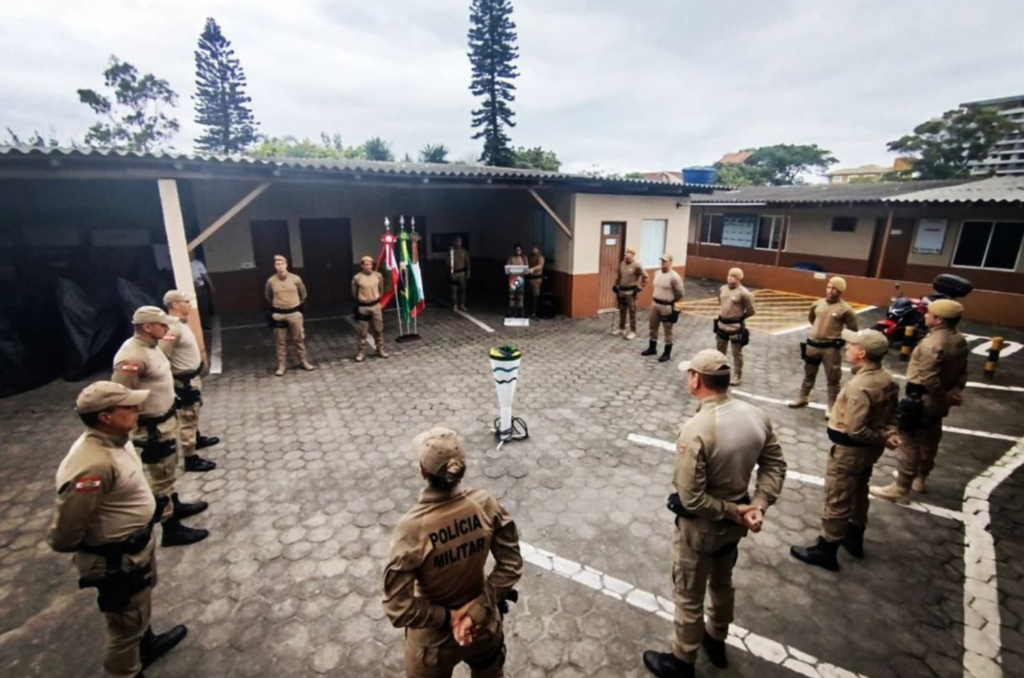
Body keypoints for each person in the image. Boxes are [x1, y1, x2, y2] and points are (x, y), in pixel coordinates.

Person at [643, 350, 787, 678]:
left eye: (688, 373)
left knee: (689, 592)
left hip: (701, 529)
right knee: (723, 582)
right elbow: (775, 464)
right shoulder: (755, 415)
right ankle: (716, 638)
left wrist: (734, 511)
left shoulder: (697, 429)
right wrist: (758, 505)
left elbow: (691, 499)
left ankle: (682, 661)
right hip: (734, 528)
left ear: (696, 379)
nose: (687, 378)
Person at [47, 381, 189, 678]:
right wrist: (105, 549)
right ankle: (125, 671)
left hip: (134, 549)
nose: (138, 410)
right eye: (129, 407)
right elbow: (64, 535)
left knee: (137, 609)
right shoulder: (91, 465)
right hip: (117, 559)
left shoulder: (117, 438)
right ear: (105, 417)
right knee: (124, 629)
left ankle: (145, 644)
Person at [383, 427, 523, 678]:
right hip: (483, 629)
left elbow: (398, 608)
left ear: (422, 471)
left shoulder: (411, 528)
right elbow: (510, 566)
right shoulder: (484, 504)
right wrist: (476, 612)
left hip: (432, 644)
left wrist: (451, 617)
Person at [790, 329, 899, 571]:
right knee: (860, 490)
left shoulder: (859, 387)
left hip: (851, 452)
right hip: (868, 453)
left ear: (861, 353)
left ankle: (827, 548)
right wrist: (889, 434)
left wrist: (882, 437)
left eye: (850, 346)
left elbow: (855, 429)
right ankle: (854, 535)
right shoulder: (887, 379)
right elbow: (894, 413)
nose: (846, 348)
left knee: (837, 496)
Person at [111, 306, 209, 548]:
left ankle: (174, 506)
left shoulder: (151, 347)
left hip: (165, 421)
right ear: (147, 327)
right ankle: (171, 529)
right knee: (159, 479)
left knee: (167, 472)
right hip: (152, 429)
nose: (166, 328)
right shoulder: (131, 358)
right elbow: (120, 397)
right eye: (161, 325)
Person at [871, 299, 968, 503]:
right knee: (931, 438)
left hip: (922, 398)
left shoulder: (932, 344)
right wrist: (953, 393)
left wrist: (941, 396)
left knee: (908, 441)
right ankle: (920, 477)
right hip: (940, 399)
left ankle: (901, 487)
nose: (925, 316)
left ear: (939, 319)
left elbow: (929, 377)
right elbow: (962, 371)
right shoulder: (959, 340)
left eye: (929, 313)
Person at [160, 290, 218, 473]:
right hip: (184, 382)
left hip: (192, 378)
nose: (189, 304)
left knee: (194, 411)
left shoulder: (180, 324)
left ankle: (197, 438)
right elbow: (162, 356)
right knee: (188, 417)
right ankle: (190, 457)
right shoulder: (172, 329)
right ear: (175, 305)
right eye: (186, 301)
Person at [789, 277, 858, 418]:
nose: (830, 291)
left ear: (840, 291)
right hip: (813, 345)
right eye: (829, 287)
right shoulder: (817, 304)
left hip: (830, 349)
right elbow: (812, 319)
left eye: (834, 289)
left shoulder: (845, 309)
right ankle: (803, 397)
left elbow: (853, 330)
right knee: (808, 374)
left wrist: (840, 341)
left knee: (833, 378)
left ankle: (832, 406)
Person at [265, 254, 315, 376]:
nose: (280, 266)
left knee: (299, 339)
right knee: (280, 341)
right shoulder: (271, 281)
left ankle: (303, 361)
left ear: (286, 264)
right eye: (277, 264)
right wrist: (279, 305)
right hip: (279, 314)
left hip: (294, 313)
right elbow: (268, 296)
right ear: (274, 266)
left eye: (282, 263)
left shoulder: (296, 279)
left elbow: (303, 294)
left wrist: (295, 304)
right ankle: (282, 365)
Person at [714, 268, 755, 386]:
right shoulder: (722, 289)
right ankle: (720, 370)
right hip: (722, 325)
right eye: (729, 275)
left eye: (733, 276)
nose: (730, 278)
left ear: (738, 279)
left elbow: (751, 310)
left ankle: (737, 375)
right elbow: (720, 302)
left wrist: (739, 317)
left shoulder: (744, 293)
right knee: (720, 351)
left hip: (735, 327)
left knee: (736, 352)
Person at [641, 253, 685, 363]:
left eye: (665, 261)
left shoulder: (674, 277)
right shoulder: (657, 273)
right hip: (655, 304)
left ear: (670, 262)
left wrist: (676, 308)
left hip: (667, 306)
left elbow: (680, 294)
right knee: (653, 327)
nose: (662, 263)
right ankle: (652, 348)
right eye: (662, 261)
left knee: (667, 329)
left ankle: (667, 352)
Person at [352, 255, 389, 363]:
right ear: (362, 265)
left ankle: (380, 349)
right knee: (363, 331)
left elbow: (381, 289)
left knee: (378, 329)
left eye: (370, 264)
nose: (368, 266)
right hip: (363, 306)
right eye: (366, 264)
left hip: (376, 305)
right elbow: (354, 293)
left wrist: (377, 299)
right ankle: (361, 352)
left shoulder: (378, 276)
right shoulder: (357, 278)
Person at [612, 248, 649, 340]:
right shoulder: (622, 263)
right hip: (621, 291)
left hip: (631, 292)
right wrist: (616, 285)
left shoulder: (637, 265)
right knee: (622, 310)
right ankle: (622, 328)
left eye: (628, 253)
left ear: (633, 255)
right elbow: (619, 276)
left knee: (632, 312)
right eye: (625, 253)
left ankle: (633, 331)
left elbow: (645, 277)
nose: (625, 254)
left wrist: (640, 287)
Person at [189, 253, 216, 320]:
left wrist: (211, 285)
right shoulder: (183, 263)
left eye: (193, 253)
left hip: (201, 286)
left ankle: (206, 322)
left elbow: (205, 275)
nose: (192, 255)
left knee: (204, 304)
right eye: (190, 253)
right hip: (190, 288)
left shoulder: (198, 263)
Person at [506, 243, 529, 319]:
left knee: (520, 295)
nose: (518, 251)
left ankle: (520, 312)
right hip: (513, 278)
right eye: (516, 249)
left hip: (520, 278)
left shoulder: (524, 258)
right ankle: (511, 311)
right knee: (512, 295)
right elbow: (507, 267)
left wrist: (525, 270)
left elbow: (527, 268)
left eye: (519, 249)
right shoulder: (511, 258)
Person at [450, 236, 471, 312]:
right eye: (457, 241)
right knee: (454, 290)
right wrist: (450, 272)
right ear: (454, 242)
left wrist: (468, 272)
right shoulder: (451, 252)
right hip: (454, 273)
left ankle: (462, 304)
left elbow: (468, 263)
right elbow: (447, 262)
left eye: (460, 241)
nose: (459, 243)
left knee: (463, 290)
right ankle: (454, 305)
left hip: (462, 273)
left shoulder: (464, 251)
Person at [526, 243, 545, 319]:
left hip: (536, 279)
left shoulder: (540, 257)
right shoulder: (530, 256)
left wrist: (532, 269)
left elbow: (540, 266)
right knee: (529, 296)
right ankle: (529, 311)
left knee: (536, 296)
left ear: (538, 249)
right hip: (530, 278)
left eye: (535, 248)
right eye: (532, 248)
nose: (533, 250)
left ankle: (535, 312)